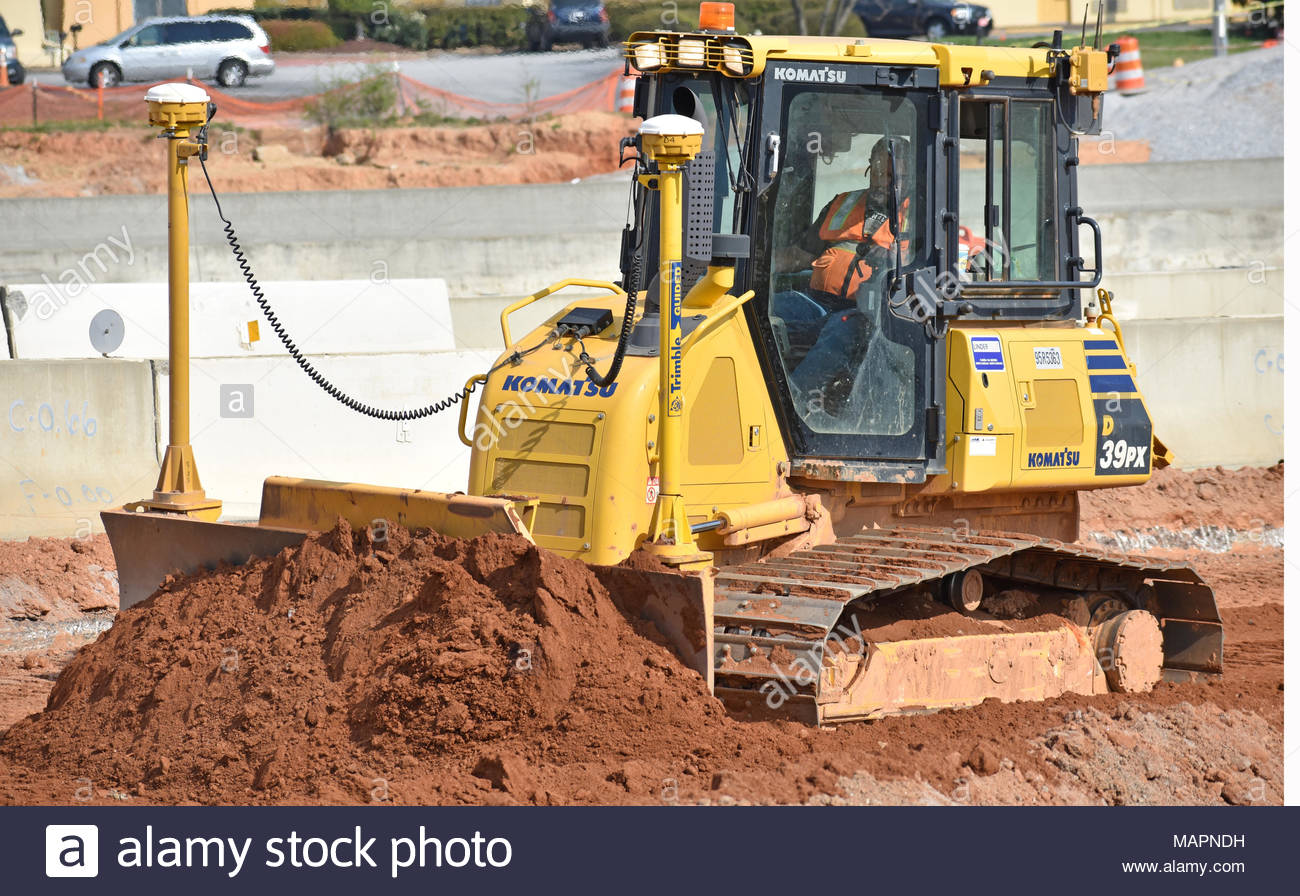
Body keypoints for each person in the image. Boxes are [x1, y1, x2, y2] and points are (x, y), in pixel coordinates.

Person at [780, 136, 913, 427]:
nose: (881, 181)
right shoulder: (842, 203)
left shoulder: (919, 216)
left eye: (891, 175)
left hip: (870, 315)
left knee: (839, 333)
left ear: (909, 175)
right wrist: (750, 268)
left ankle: (790, 408)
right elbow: (798, 255)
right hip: (815, 301)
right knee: (770, 308)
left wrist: (892, 257)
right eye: (877, 172)